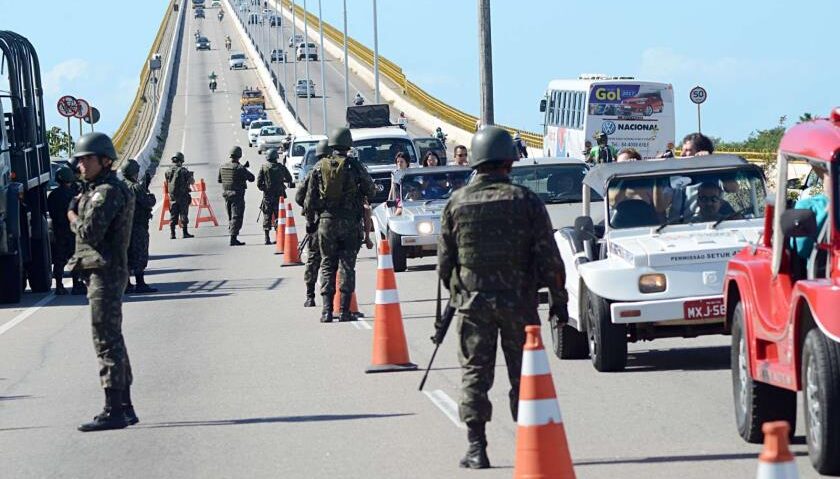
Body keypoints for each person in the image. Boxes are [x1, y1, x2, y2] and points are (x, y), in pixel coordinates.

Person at [437, 126, 569, 469]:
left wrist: (460, 292)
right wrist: (558, 300)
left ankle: (477, 448)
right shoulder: (525, 201)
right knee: (524, 376)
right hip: (519, 304)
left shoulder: (457, 202)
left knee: (474, 375)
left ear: (476, 161)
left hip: (473, 305)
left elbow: (444, 263)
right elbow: (549, 258)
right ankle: (530, 443)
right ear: (509, 161)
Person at [66, 133, 137, 432]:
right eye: (79, 160)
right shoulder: (103, 189)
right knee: (113, 339)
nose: (81, 165)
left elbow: (89, 232)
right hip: (106, 271)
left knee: (105, 340)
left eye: (87, 159)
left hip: (105, 273)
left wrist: (71, 214)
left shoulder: (106, 192)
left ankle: (113, 410)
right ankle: (126, 406)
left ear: (105, 160)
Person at [304, 127, 375, 323]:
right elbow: (371, 189)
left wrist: (311, 223)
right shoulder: (354, 166)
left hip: (326, 223)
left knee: (328, 264)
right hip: (350, 223)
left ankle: (326, 311)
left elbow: (309, 200)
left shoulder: (319, 167)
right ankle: (343, 311)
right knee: (347, 266)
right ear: (348, 144)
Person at [297, 139, 331, 308]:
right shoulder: (337, 169)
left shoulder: (313, 172)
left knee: (313, 259)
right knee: (332, 261)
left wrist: (310, 216)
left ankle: (310, 296)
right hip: (334, 221)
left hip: (317, 223)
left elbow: (299, 197)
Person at [47, 166, 85, 295]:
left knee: (59, 259)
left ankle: (59, 286)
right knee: (75, 257)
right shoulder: (72, 195)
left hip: (58, 231)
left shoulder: (52, 195)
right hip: (71, 232)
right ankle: (76, 285)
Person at [122, 159, 158, 294]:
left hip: (124, 226)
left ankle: (126, 284)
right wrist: (150, 195)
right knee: (139, 255)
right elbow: (148, 202)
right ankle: (140, 283)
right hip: (137, 226)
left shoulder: (121, 186)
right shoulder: (135, 187)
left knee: (127, 255)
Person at [218, 146, 255, 246]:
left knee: (231, 216)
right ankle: (233, 238)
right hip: (237, 195)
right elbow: (252, 178)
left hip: (226, 195)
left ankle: (233, 235)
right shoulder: (240, 168)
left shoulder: (223, 166)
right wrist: (244, 169)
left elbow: (220, 180)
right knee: (237, 216)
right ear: (239, 155)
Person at [257, 148, 293, 245]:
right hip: (279, 197)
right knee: (279, 217)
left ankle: (267, 238)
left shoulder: (263, 167)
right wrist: (281, 181)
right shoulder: (281, 167)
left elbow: (259, 183)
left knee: (267, 216)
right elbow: (289, 178)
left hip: (267, 196)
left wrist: (265, 189)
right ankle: (279, 237)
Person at [164, 152, 195, 239]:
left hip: (172, 197)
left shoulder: (167, 171)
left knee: (173, 215)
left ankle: (172, 234)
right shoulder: (183, 170)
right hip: (183, 196)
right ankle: (185, 233)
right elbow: (192, 181)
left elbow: (167, 182)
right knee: (183, 214)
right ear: (181, 161)